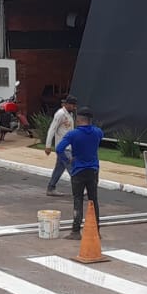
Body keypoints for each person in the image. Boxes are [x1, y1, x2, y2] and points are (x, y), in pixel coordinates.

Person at [55, 107, 103, 240]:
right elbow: (98, 140)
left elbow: (59, 149)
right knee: (93, 200)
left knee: (78, 199)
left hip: (78, 170)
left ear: (78, 120)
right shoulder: (98, 132)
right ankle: (96, 231)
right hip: (93, 170)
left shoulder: (73, 134)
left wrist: (68, 160)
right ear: (90, 120)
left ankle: (76, 231)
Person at [42, 94, 78, 196]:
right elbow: (52, 129)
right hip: (63, 147)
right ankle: (80, 189)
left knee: (59, 168)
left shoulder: (70, 115)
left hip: (69, 146)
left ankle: (51, 188)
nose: (74, 107)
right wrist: (48, 145)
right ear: (67, 104)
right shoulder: (60, 114)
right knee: (72, 167)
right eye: (73, 105)